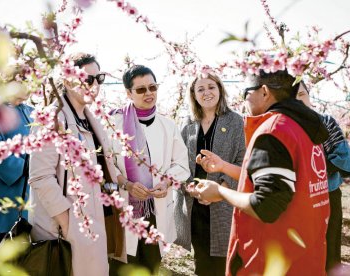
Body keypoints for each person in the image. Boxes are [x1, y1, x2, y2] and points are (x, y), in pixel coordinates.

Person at [194, 69, 330, 275]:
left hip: (270, 261)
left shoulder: (274, 131)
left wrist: (220, 192)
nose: (244, 101)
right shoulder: (304, 130)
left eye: (246, 93)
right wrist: (223, 166)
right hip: (305, 255)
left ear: (264, 92)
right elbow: (280, 183)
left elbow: (265, 205)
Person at [28, 53, 126, 276]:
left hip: (95, 223)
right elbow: (40, 177)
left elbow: (104, 170)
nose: (93, 85)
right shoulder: (52, 119)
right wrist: (68, 223)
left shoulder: (92, 121)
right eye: (85, 78)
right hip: (66, 229)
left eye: (97, 79)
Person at [110, 64, 190, 273]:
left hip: (156, 211)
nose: (148, 93)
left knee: (152, 267)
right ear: (128, 93)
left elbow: (182, 164)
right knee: (124, 267)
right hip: (124, 210)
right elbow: (105, 164)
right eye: (141, 89)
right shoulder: (113, 124)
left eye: (152, 87)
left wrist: (166, 181)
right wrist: (126, 184)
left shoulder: (168, 126)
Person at [174, 72, 245, 276]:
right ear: (194, 95)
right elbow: (178, 162)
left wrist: (220, 189)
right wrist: (192, 188)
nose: (207, 92)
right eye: (201, 89)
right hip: (194, 203)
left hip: (225, 202)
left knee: (226, 263)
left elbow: (242, 160)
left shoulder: (235, 121)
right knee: (202, 262)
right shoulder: (187, 124)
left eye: (211, 87)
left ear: (220, 90)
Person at [295, 81, 350, 271]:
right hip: (295, 200)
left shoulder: (326, 121)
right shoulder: (280, 128)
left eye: (301, 94)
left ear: (309, 95)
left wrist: (310, 171)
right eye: (291, 96)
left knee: (330, 248)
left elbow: (343, 156)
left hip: (327, 195)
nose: (298, 100)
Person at [0, 96, 33, 245]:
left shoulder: (32, 112)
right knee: (8, 251)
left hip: (33, 192)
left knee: (33, 256)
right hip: (6, 193)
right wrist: (28, 167)